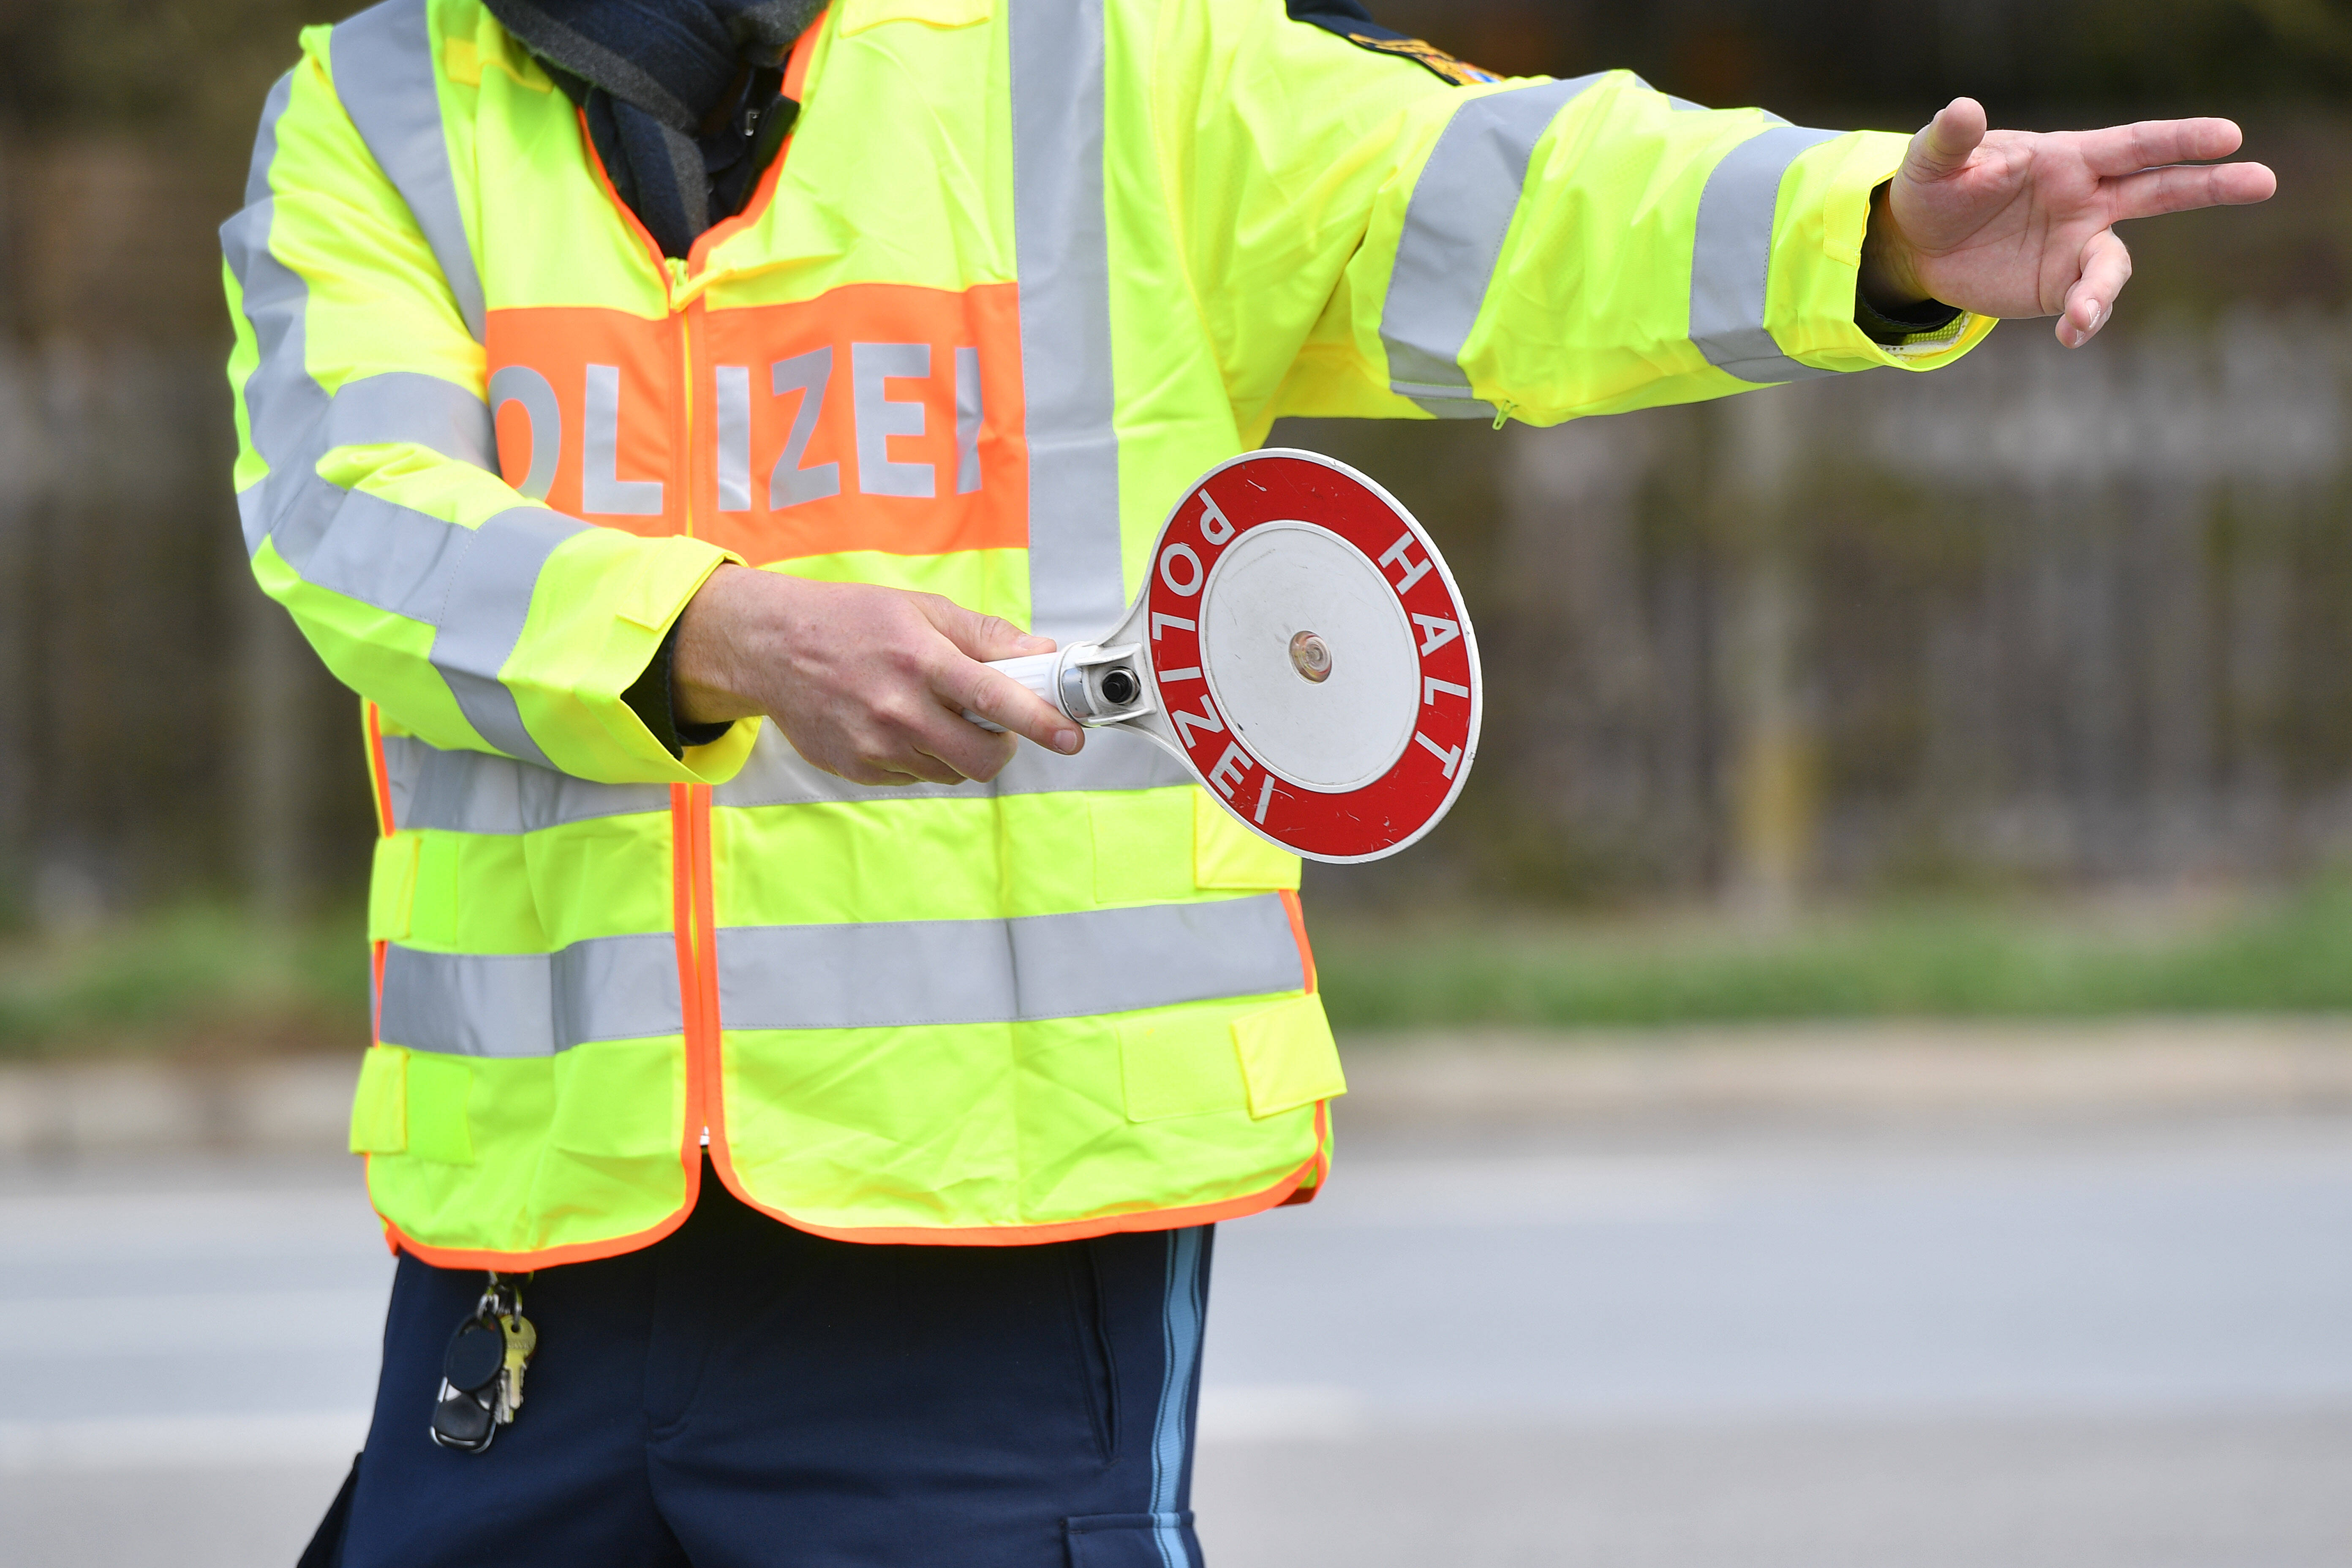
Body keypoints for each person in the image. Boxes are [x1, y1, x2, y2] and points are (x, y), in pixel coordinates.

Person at [221, 1, 2273, 1563]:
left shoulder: (1112, 66)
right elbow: (352, 516)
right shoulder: (383, 107)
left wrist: (1868, 232)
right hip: (524, 1288)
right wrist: (723, 630)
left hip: (990, 1271)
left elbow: (1521, 200)